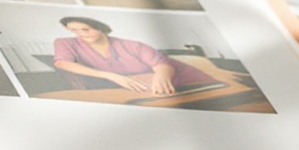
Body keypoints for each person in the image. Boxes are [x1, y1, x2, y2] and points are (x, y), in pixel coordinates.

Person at [49, 15, 220, 98]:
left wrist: (161, 76)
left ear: (101, 28)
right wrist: (110, 75)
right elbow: (62, 63)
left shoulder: (132, 45)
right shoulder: (65, 43)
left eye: (85, 29)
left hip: (179, 76)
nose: (80, 34)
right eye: (74, 30)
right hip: (132, 83)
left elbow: (161, 63)